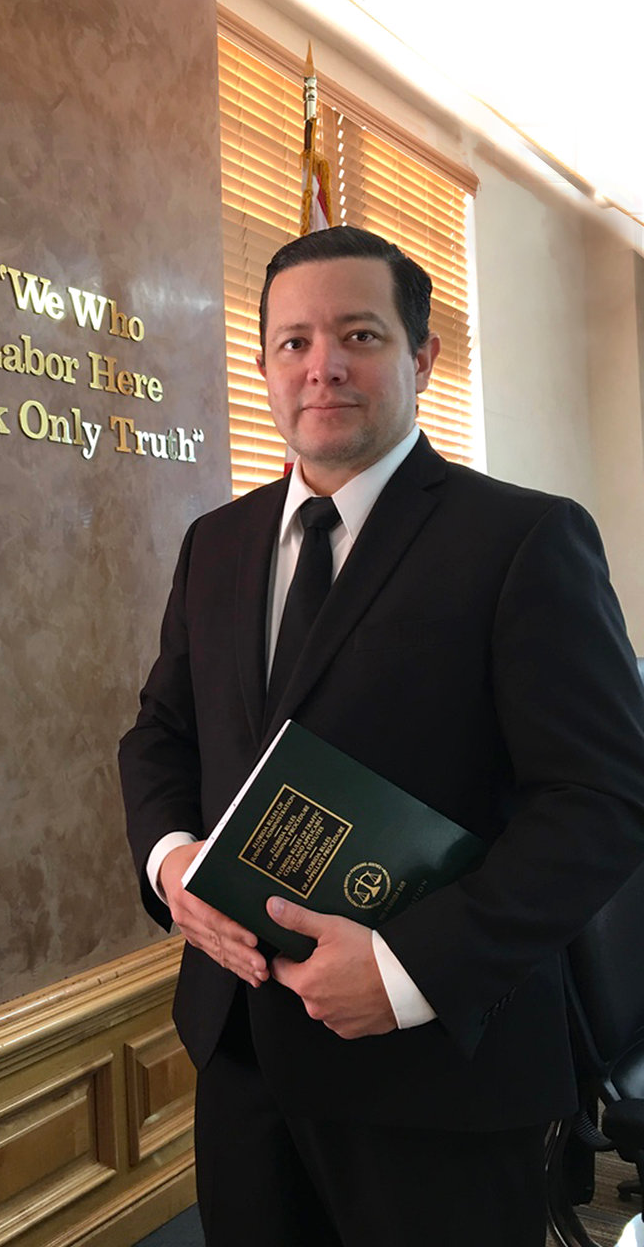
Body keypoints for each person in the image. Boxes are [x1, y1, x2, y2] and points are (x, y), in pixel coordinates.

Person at [118, 226, 644, 1247]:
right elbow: (160, 734)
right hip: (241, 1062)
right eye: (292, 340)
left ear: (421, 357)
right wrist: (171, 858)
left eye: (358, 333)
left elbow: (604, 798)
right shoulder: (214, 543)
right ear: (264, 361)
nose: (322, 365)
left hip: (439, 1073)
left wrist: (407, 967)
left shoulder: (524, 540)